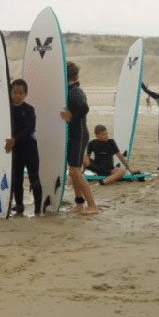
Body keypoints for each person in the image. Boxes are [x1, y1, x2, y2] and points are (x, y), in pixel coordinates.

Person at [60, 61, 98, 215]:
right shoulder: (70, 90)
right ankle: (79, 204)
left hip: (79, 135)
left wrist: (71, 118)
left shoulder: (75, 91)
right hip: (74, 135)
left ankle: (92, 205)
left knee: (75, 171)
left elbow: (85, 108)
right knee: (73, 170)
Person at [4, 79, 42, 217]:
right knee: (17, 179)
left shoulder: (29, 109)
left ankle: (38, 210)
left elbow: (30, 128)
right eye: (14, 92)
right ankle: (19, 207)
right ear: (10, 93)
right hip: (16, 150)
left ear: (25, 94)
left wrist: (15, 139)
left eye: (20, 93)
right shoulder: (7, 110)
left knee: (34, 178)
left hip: (30, 149)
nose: (17, 95)